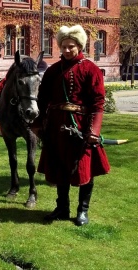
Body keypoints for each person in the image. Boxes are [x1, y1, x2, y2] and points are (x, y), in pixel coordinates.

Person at [32, 25, 110, 226]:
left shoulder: (90, 69)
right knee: (59, 168)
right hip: (56, 127)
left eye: (71, 46)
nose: (66, 50)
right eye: (63, 46)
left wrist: (94, 131)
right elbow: (42, 99)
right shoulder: (52, 70)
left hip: (81, 128)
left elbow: (98, 102)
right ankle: (62, 208)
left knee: (85, 168)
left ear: (79, 46)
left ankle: (82, 211)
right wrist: (38, 123)